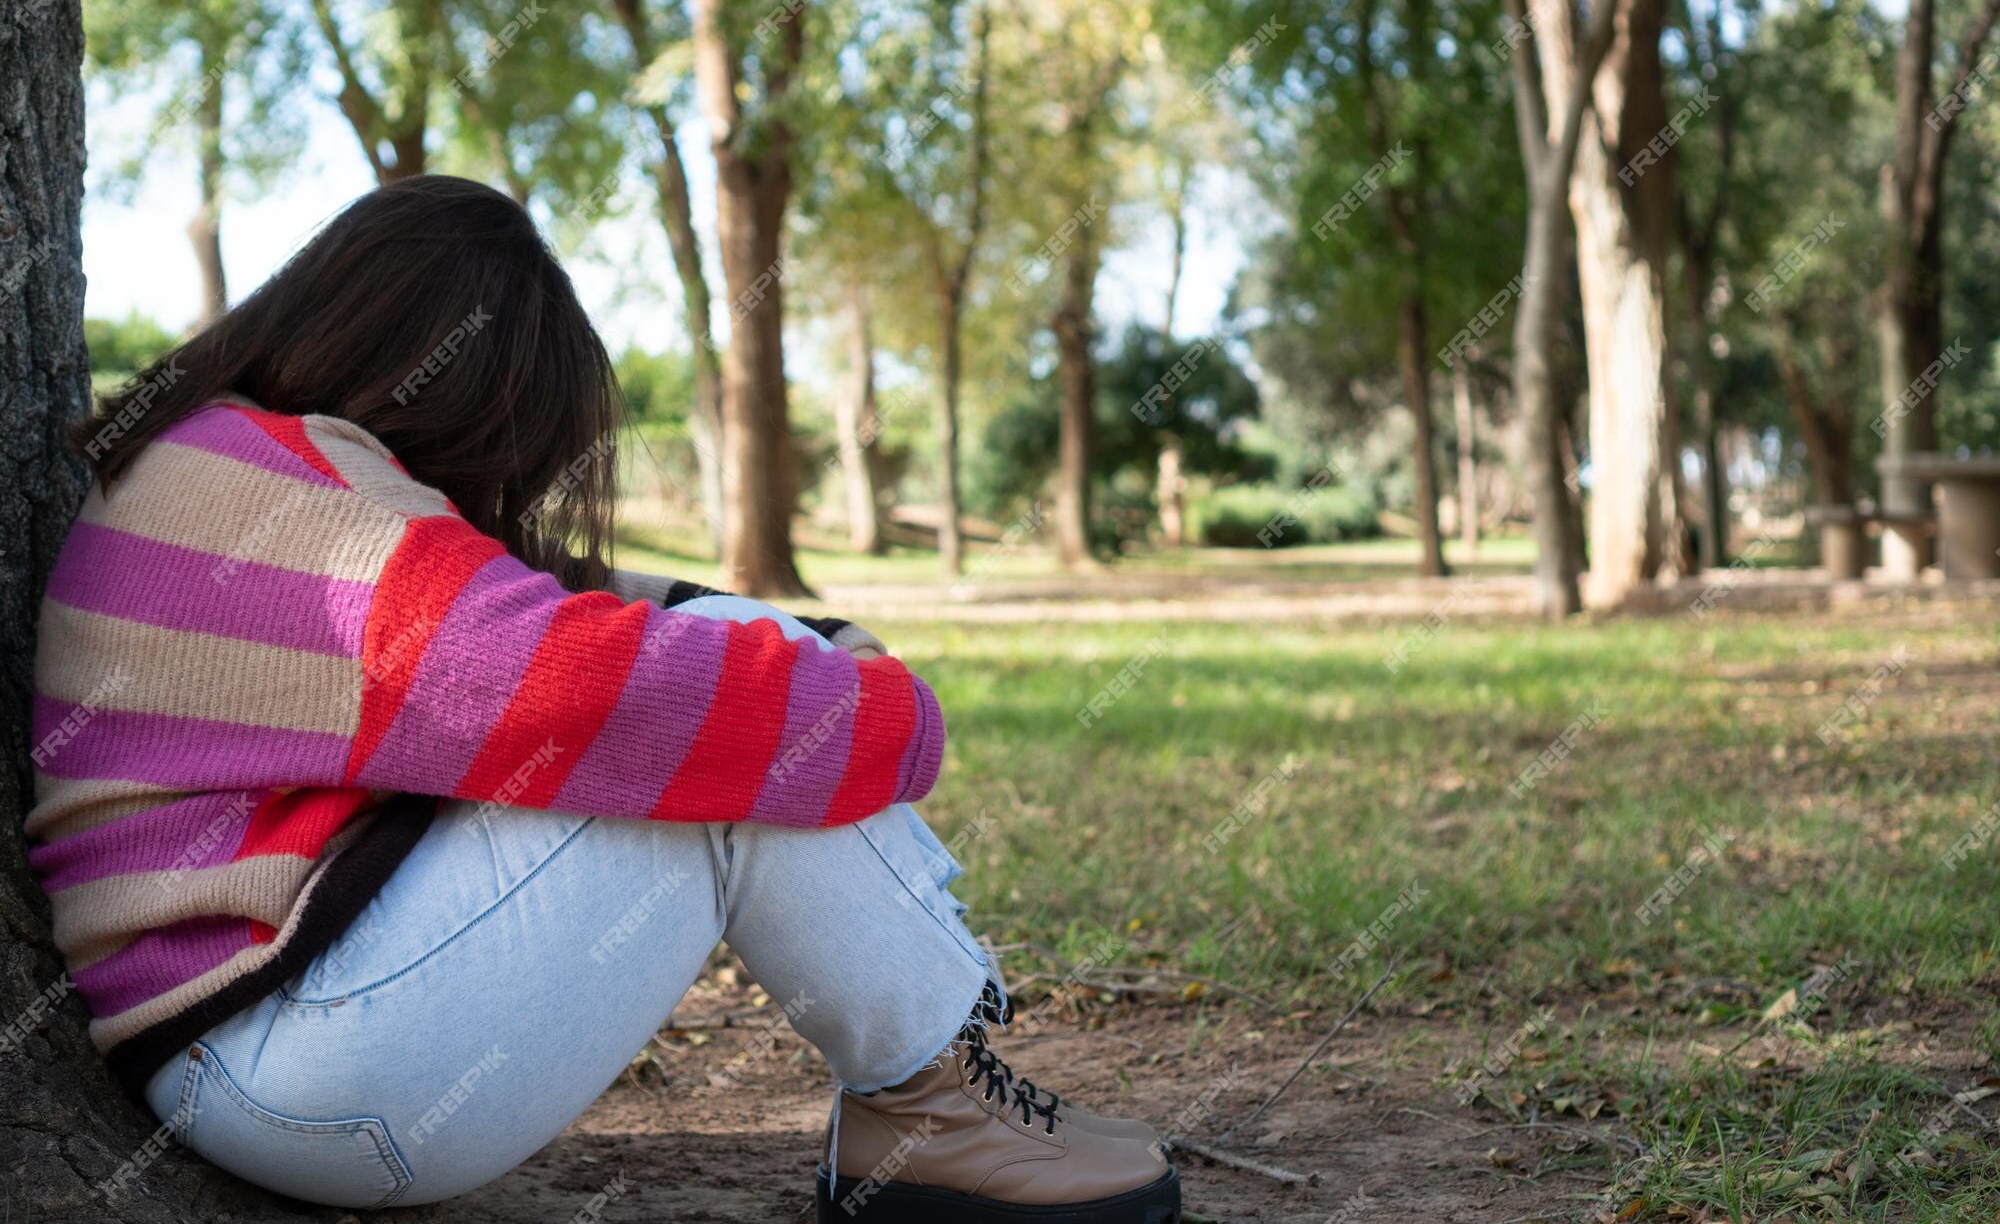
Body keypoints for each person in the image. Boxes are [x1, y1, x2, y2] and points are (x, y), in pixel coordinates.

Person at [31, 175, 1179, 1222]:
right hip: (292, 1066)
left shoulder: (218, 466)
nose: (496, 491)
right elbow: (572, 687)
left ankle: (935, 1087)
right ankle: (929, 1102)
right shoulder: (264, 488)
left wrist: (814, 647)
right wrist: (889, 710)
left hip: (274, 1057)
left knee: (730, 667)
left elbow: (556, 597)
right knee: (710, 712)